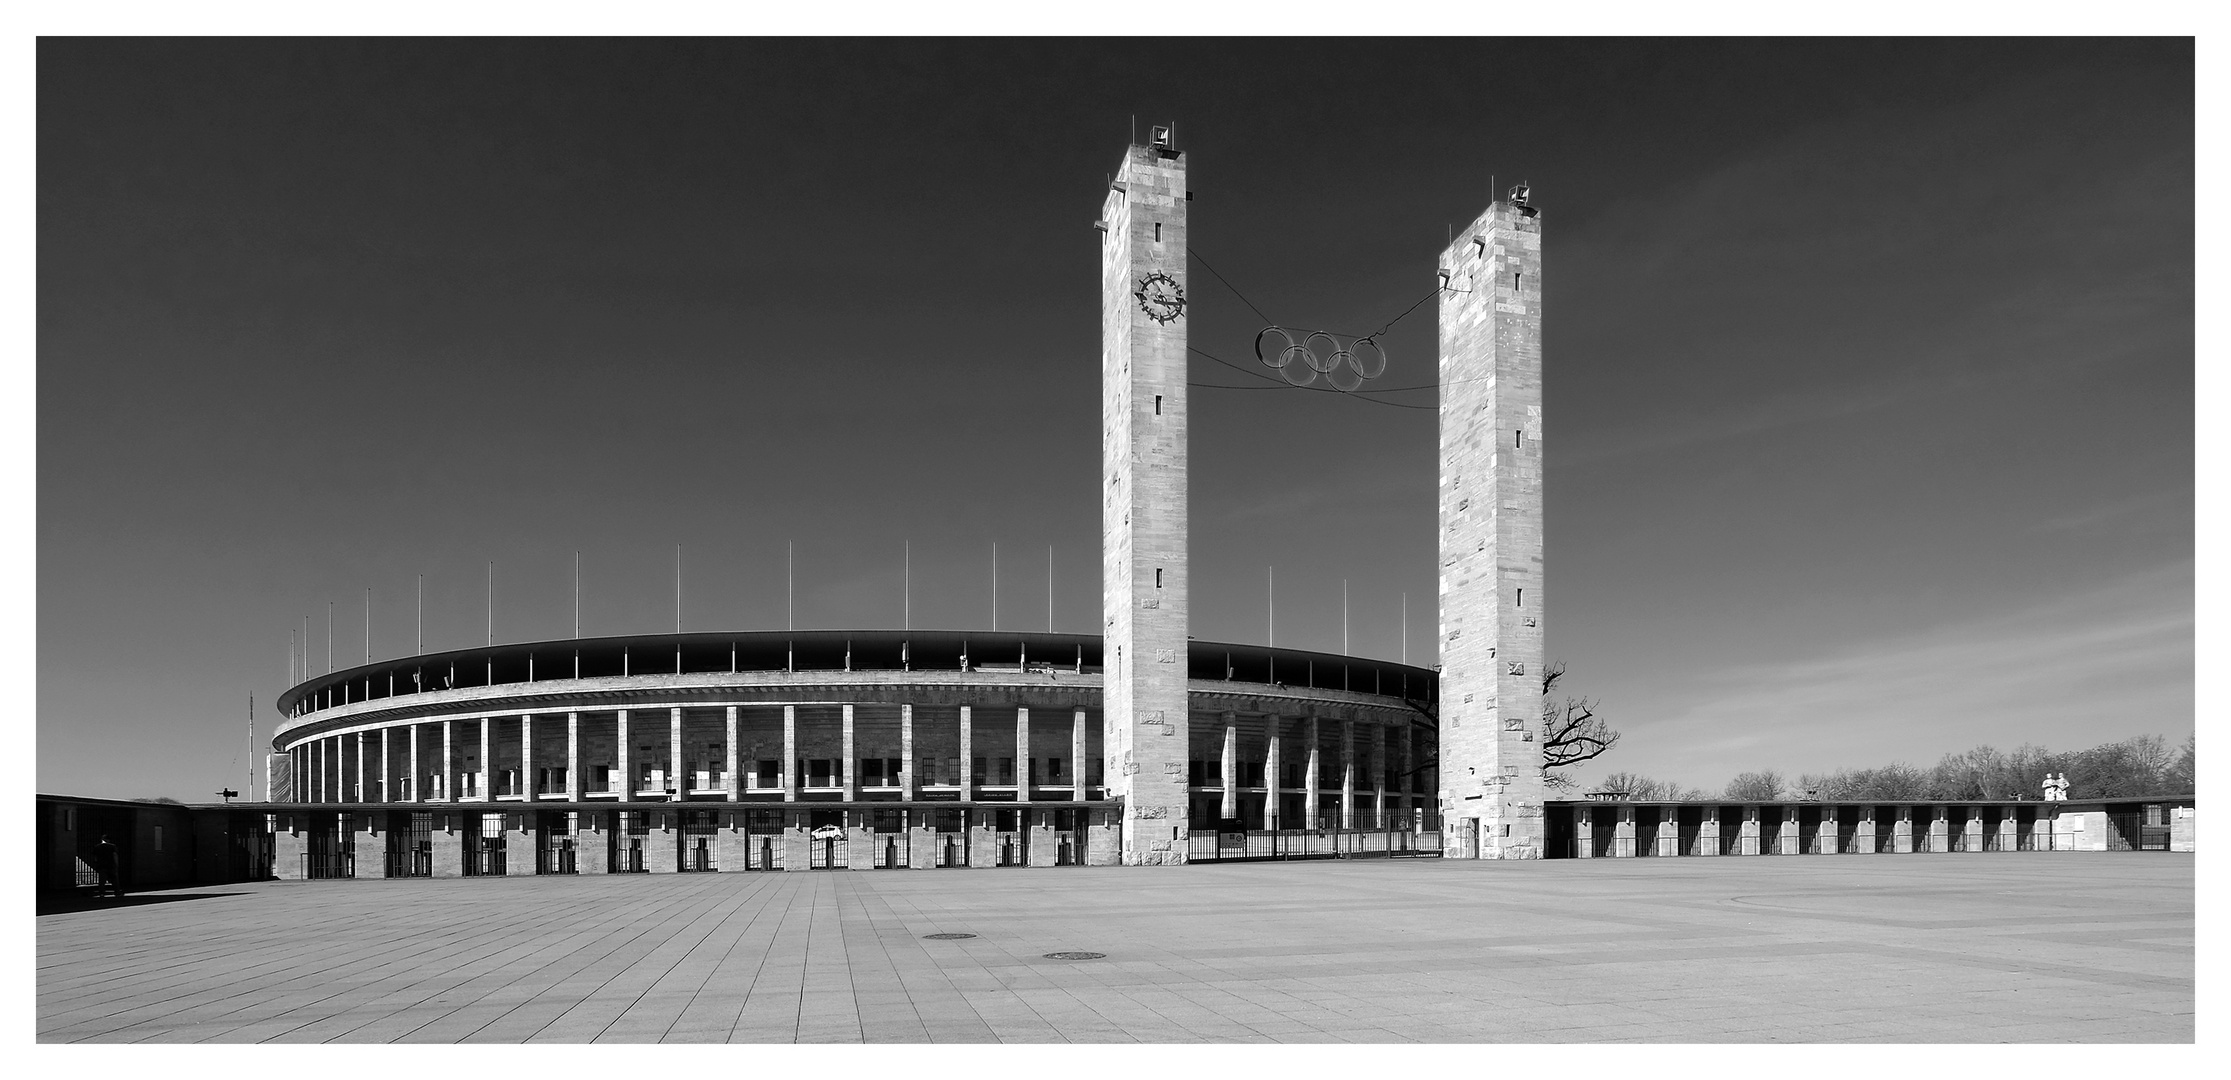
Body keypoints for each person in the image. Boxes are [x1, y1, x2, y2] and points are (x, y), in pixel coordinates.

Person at [91, 834, 123, 899]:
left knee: (102, 881)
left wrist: (96, 864)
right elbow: (115, 855)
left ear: (102, 839)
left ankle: (101, 893)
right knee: (115, 880)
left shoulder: (97, 847)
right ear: (108, 840)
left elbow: (95, 857)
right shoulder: (112, 846)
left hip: (101, 865)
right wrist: (116, 864)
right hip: (111, 865)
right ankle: (117, 893)